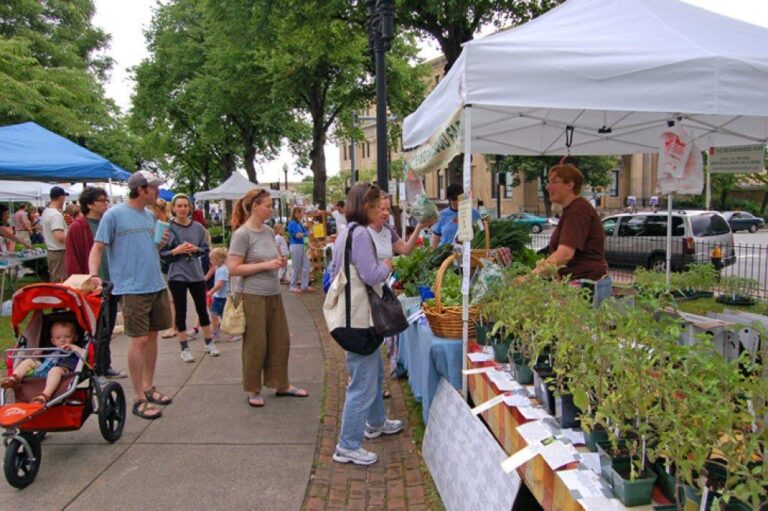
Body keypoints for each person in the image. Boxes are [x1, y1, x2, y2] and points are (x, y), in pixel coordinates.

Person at [88, 170, 173, 421]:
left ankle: (149, 386)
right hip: (131, 288)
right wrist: (94, 275)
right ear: (140, 189)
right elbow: (98, 248)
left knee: (153, 337)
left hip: (155, 284)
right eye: (153, 188)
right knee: (139, 341)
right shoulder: (113, 215)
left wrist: (161, 242)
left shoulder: (149, 216)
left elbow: (148, 249)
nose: (157, 192)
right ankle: (138, 397)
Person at [329, 183, 404, 467]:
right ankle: (347, 445)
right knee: (361, 383)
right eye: (377, 206)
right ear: (365, 207)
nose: (382, 212)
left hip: (352, 317)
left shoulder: (346, 232)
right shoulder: (360, 234)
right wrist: (387, 264)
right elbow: (372, 276)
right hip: (359, 320)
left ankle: (375, 422)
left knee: (371, 373)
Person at [228, 188, 308, 408]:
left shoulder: (269, 231)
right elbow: (233, 268)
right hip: (252, 295)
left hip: (273, 293)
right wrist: (265, 265)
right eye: (268, 205)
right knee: (256, 343)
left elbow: (271, 256)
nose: (271, 209)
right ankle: (253, 388)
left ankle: (281, 384)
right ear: (255, 206)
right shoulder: (242, 234)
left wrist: (278, 261)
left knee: (280, 340)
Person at [368, 193, 434, 378]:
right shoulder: (363, 231)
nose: (384, 213)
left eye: (387, 209)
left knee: (377, 334)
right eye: (381, 208)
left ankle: (374, 382)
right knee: (368, 336)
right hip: (366, 291)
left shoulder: (388, 230)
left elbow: (405, 249)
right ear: (370, 208)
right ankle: (364, 381)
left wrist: (420, 226)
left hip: (381, 290)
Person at [65, 187, 125, 379]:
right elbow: (73, 258)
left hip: (111, 282)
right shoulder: (78, 227)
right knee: (98, 328)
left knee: (107, 327)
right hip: (92, 287)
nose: (106, 203)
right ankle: (95, 367)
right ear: (90, 204)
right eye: (102, 200)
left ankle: (104, 365)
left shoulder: (107, 222)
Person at [532, 163, 611, 303]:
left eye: (554, 182)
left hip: (587, 287)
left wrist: (530, 277)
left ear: (570, 185)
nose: (548, 187)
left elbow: (565, 254)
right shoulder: (572, 210)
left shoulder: (577, 211)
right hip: (580, 284)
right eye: (549, 182)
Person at [160, 194, 217, 363]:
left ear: (190, 208)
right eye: (179, 206)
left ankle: (209, 342)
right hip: (177, 273)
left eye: (186, 206)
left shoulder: (198, 227)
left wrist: (195, 249)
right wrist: (175, 251)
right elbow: (161, 253)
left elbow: (206, 250)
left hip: (196, 273)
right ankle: (184, 347)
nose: (183, 209)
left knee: (202, 308)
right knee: (181, 310)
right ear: (173, 208)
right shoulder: (167, 228)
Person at [1, 320, 83, 405]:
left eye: (67, 337)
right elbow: (40, 359)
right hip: (41, 370)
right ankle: (14, 379)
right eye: (58, 338)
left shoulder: (74, 350)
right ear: (53, 341)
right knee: (28, 361)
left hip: (61, 374)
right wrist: (38, 354)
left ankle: (45, 395)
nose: (63, 340)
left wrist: (73, 347)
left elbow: (85, 354)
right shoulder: (49, 350)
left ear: (75, 338)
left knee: (55, 370)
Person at [430, 183, 481, 248]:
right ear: (449, 199)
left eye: (460, 198)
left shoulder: (474, 213)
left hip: (468, 255)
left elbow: (482, 232)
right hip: (447, 255)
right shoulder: (442, 215)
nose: (457, 201)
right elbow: (435, 240)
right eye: (454, 199)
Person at [206, 247, 240, 342]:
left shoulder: (223, 269)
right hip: (218, 297)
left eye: (212, 259)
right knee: (214, 314)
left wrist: (210, 292)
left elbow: (220, 284)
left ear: (219, 259)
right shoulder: (219, 268)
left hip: (224, 298)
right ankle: (216, 333)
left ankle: (233, 334)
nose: (210, 261)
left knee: (226, 316)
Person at [41, 186, 70, 282]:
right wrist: (73, 241)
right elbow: (59, 236)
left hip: (52, 251)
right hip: (59, 252)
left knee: (56, 281)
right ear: (61, 197)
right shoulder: (56, 215)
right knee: (61, 283)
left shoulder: (46, 212)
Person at [287, 207, 314, 293]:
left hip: (300, 245)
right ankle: (293, 286)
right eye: (301, 213)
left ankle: (304, 286)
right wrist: (307, 232)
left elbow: (304, 232)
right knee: (296, 267)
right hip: (295, 245)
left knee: (306, 265)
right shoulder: (292, 223)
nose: (302, 214)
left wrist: (308, 230)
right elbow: (298, 235)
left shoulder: (299, 223)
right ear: (296, 213)